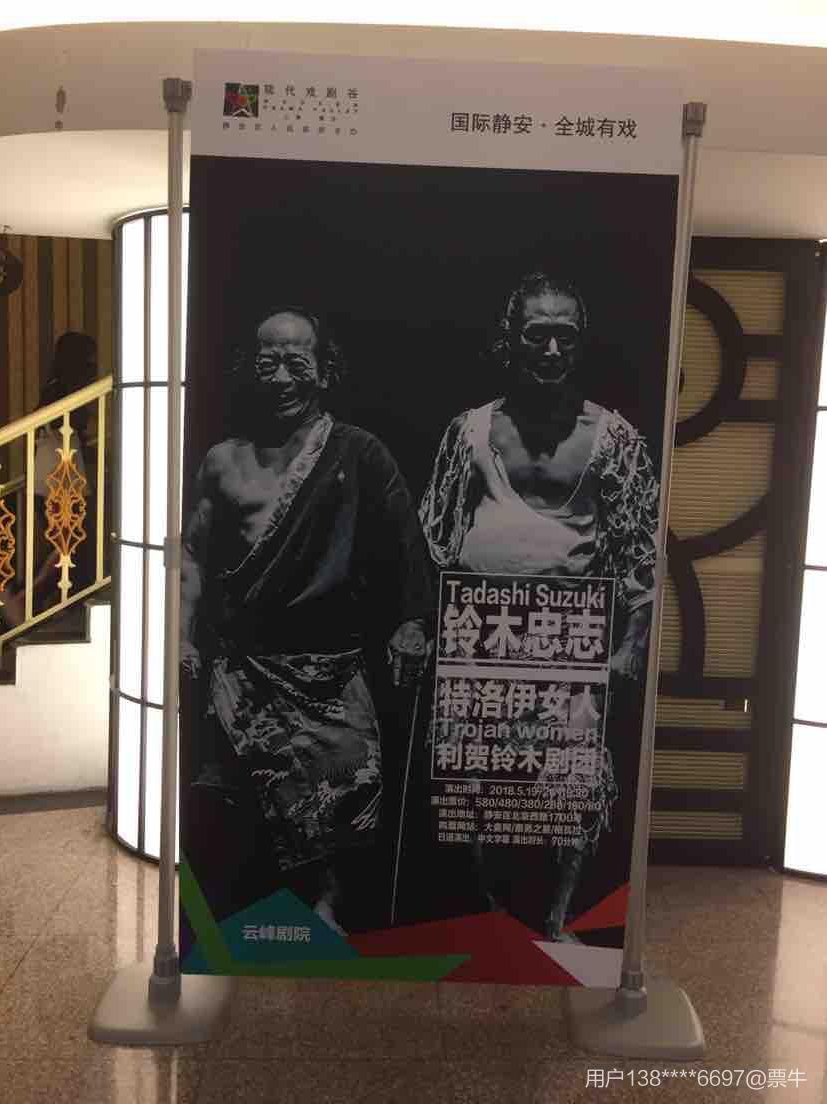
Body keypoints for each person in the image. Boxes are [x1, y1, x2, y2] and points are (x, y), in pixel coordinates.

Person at [419, 272, 659, 939]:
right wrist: (425, 626)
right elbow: (434, 538)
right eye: (537, 335)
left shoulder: (614, 438)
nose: (551, 351)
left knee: (572, 776)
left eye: (565, 337)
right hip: (478, 629)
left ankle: (556, 917)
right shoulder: (470, 430)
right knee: (470, 772)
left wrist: (632, 642)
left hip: (568, 632)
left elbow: (641, 554)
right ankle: (489, 910)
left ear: (581, 343)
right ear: (510, 339)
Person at [180, 306, 434, 934]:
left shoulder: (358, 453)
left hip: (331, 665)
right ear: (249, 369)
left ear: (324, 370)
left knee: (343, 787)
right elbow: (191, 557)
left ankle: (328, 908)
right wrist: (180, 636)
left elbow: (407, 544)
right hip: (244, 671)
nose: (282, 378)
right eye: (268, 363)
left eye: (297, 363)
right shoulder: (223, 461)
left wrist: (413, 622)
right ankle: (249, 917)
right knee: (237, 796)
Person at [0, 332, 98, 629]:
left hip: (52, 470)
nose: (94, 365)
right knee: (69, 543)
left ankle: (37, 601)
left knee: (66, 543)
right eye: (89, 359)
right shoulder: (66, 391)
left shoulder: (54, 388)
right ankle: (26, 599)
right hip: (60, 472)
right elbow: (65, 426)